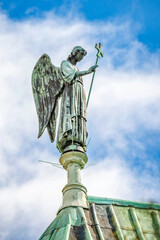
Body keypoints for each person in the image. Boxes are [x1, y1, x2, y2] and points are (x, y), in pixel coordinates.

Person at [56, 46, 98, 152]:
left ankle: (78, 134)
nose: (81, 58)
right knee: (71, 111)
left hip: (79, 90)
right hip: (71, 90)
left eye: (83, 56)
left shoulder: (76, 68)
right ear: (75, 52)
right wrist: (88, 71)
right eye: (81, 55)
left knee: (79, 112)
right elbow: (70, 76)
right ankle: (69, 134)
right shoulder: (65, 64)